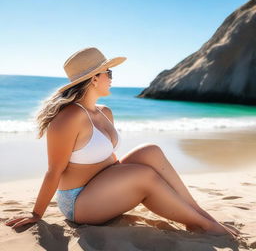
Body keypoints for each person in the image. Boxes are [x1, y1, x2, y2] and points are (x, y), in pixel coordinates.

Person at [5, 47, 239, 237]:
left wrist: (125, 173)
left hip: (102, 184)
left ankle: (200, 215)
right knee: (144, 176)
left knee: (151, 151)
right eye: (109, 73)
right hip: (80, 202)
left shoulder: (104, 112)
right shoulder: (69, 118)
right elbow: (54, 171)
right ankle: (205, 225)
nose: (112, 78)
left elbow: (110, 159)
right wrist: (37, 213)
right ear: (95, 78)